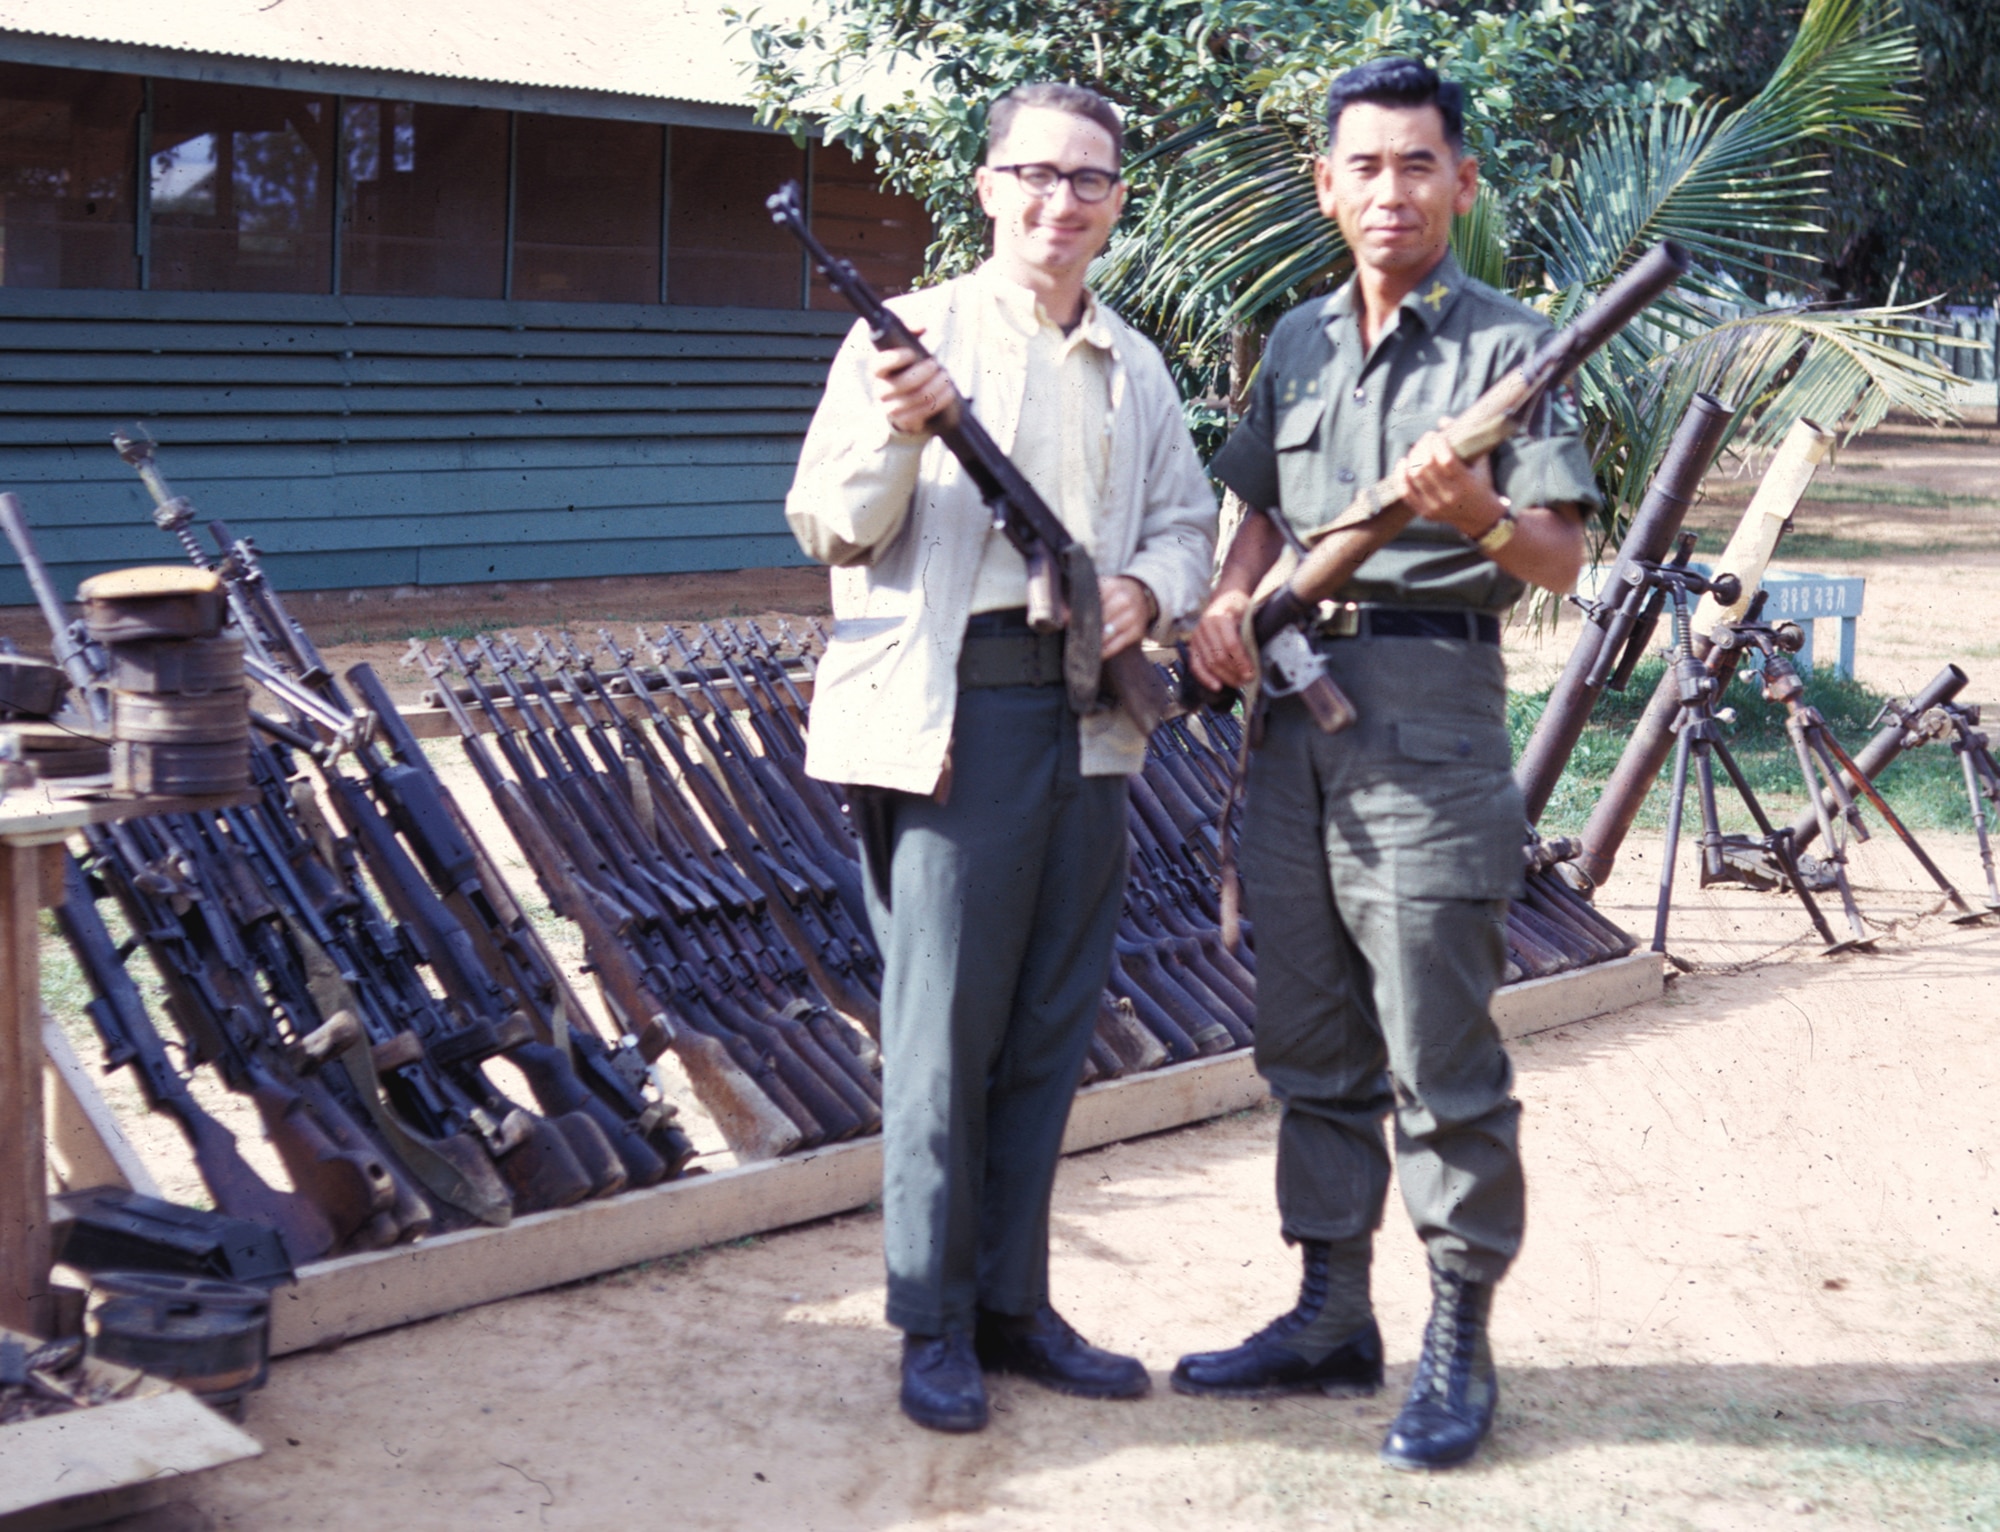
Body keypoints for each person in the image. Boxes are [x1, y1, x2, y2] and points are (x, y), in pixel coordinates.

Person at [1176, 57, 1596, 1471]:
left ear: (1461, 183)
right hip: (1292, 719)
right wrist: (1229, 604)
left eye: (1419, 164)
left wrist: (1476, 508)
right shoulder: (1293, 341)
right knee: (1308, 1036)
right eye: (1363, 165)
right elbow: (1255, 516)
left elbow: (1554, 561)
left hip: (1427, 711)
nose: (1390, 190)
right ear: (1326, 184)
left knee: (1437, 1041)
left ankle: (1458, 1339)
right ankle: (1328, 1313)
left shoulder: (1514, 348)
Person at [785, 82, 1217, 1434]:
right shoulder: (914, 336)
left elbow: (1186, 523)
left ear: (1116, 205)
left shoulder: (1132, 364)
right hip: (953, 712)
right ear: (987, 188)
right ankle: (932, 1321)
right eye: (1035, 174)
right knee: (941, 1037)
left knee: (1046, 1027)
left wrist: (1146, 593)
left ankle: (1016, 1305)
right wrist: (901, 428)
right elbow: (826, 524)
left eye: (1089, 181)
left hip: (1091, 711)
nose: (1060, 201)